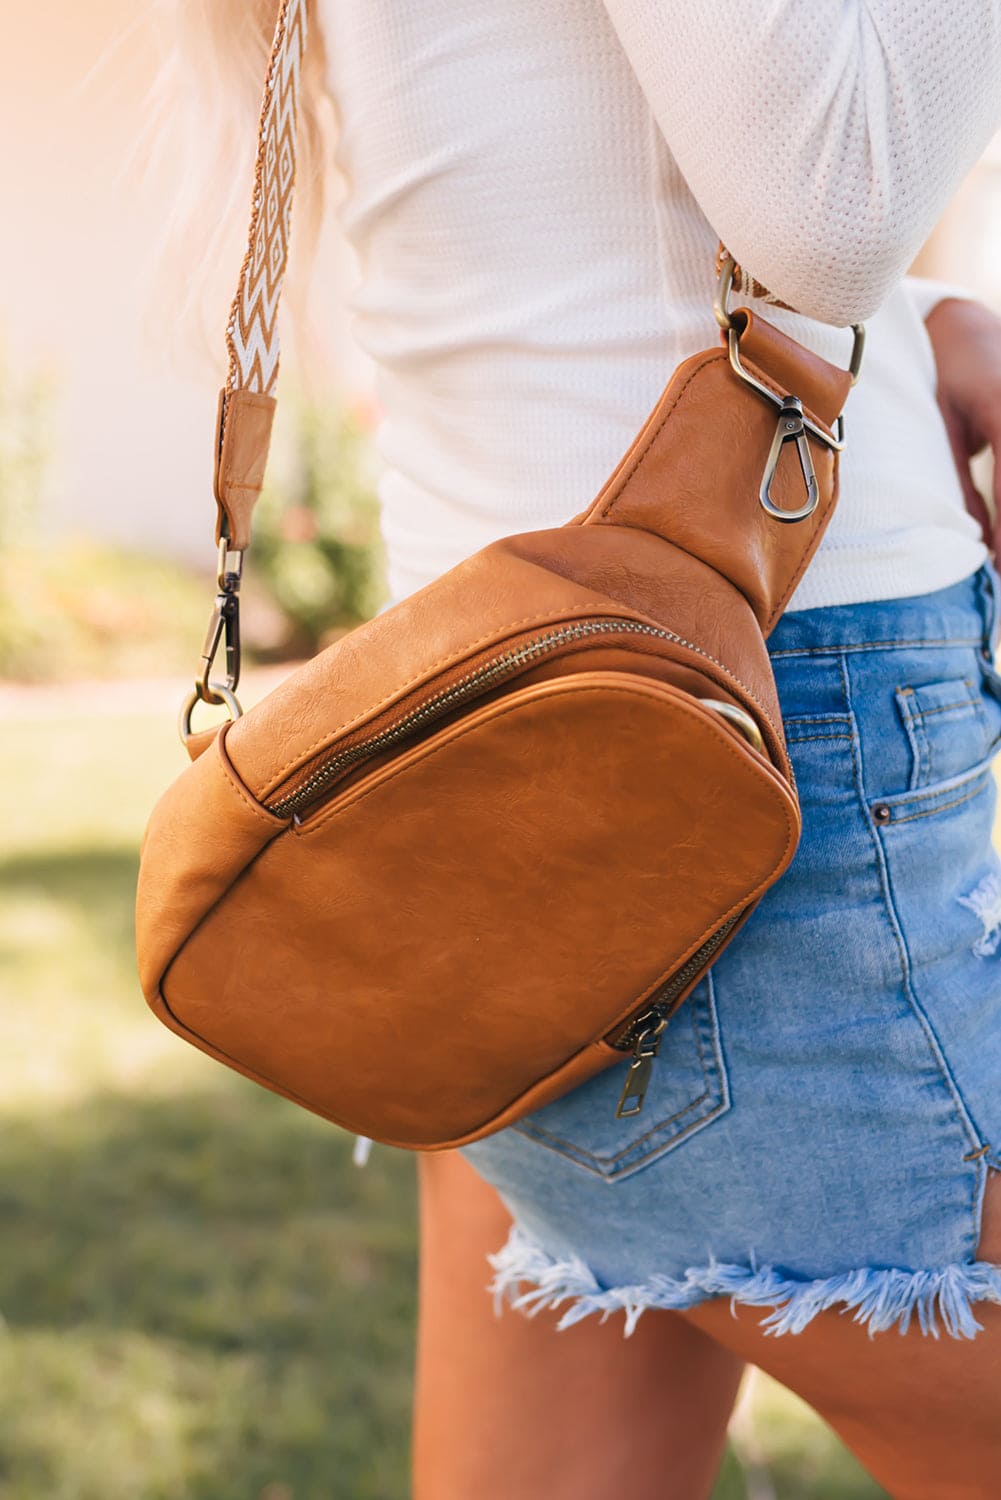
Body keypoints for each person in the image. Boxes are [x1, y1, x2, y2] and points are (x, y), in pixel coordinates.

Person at [176, 2, 1001, 1493]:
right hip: (727, 739)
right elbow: (830, 195)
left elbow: (559, 145)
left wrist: (924, 312)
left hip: (499, 733)